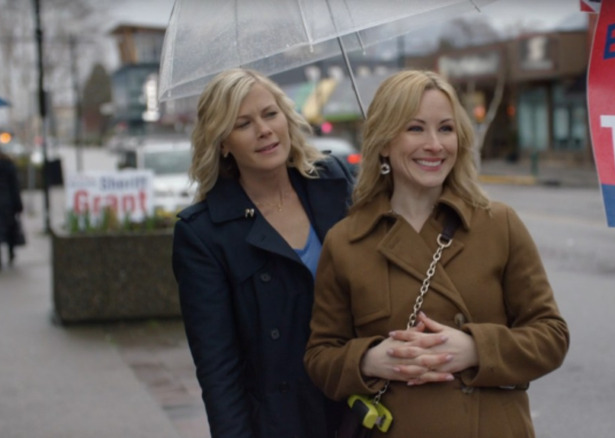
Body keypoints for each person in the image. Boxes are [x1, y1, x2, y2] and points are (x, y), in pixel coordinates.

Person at [305, 70, 569, 437]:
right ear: (383, 142)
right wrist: (370, 359)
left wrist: (476, 348)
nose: (435, 144)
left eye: (446, 129)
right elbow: (320, 358)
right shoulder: (346, 241)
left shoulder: (499, 224)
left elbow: (551, 337)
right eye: (415, 129)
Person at [171, 68, 353, 438]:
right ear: (222, 143)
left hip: (360, 406)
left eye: (270, 114)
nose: (264, 130)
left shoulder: (333, 183)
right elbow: (218, 367)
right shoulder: (203, 233)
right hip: (282, 422)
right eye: (243, 124)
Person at [0, 150, 23, 270]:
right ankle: (11, 252)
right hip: (7, 202)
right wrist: (18, 205)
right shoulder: (8, 164)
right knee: (9, 229)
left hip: (5, 202)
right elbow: (15, 186)